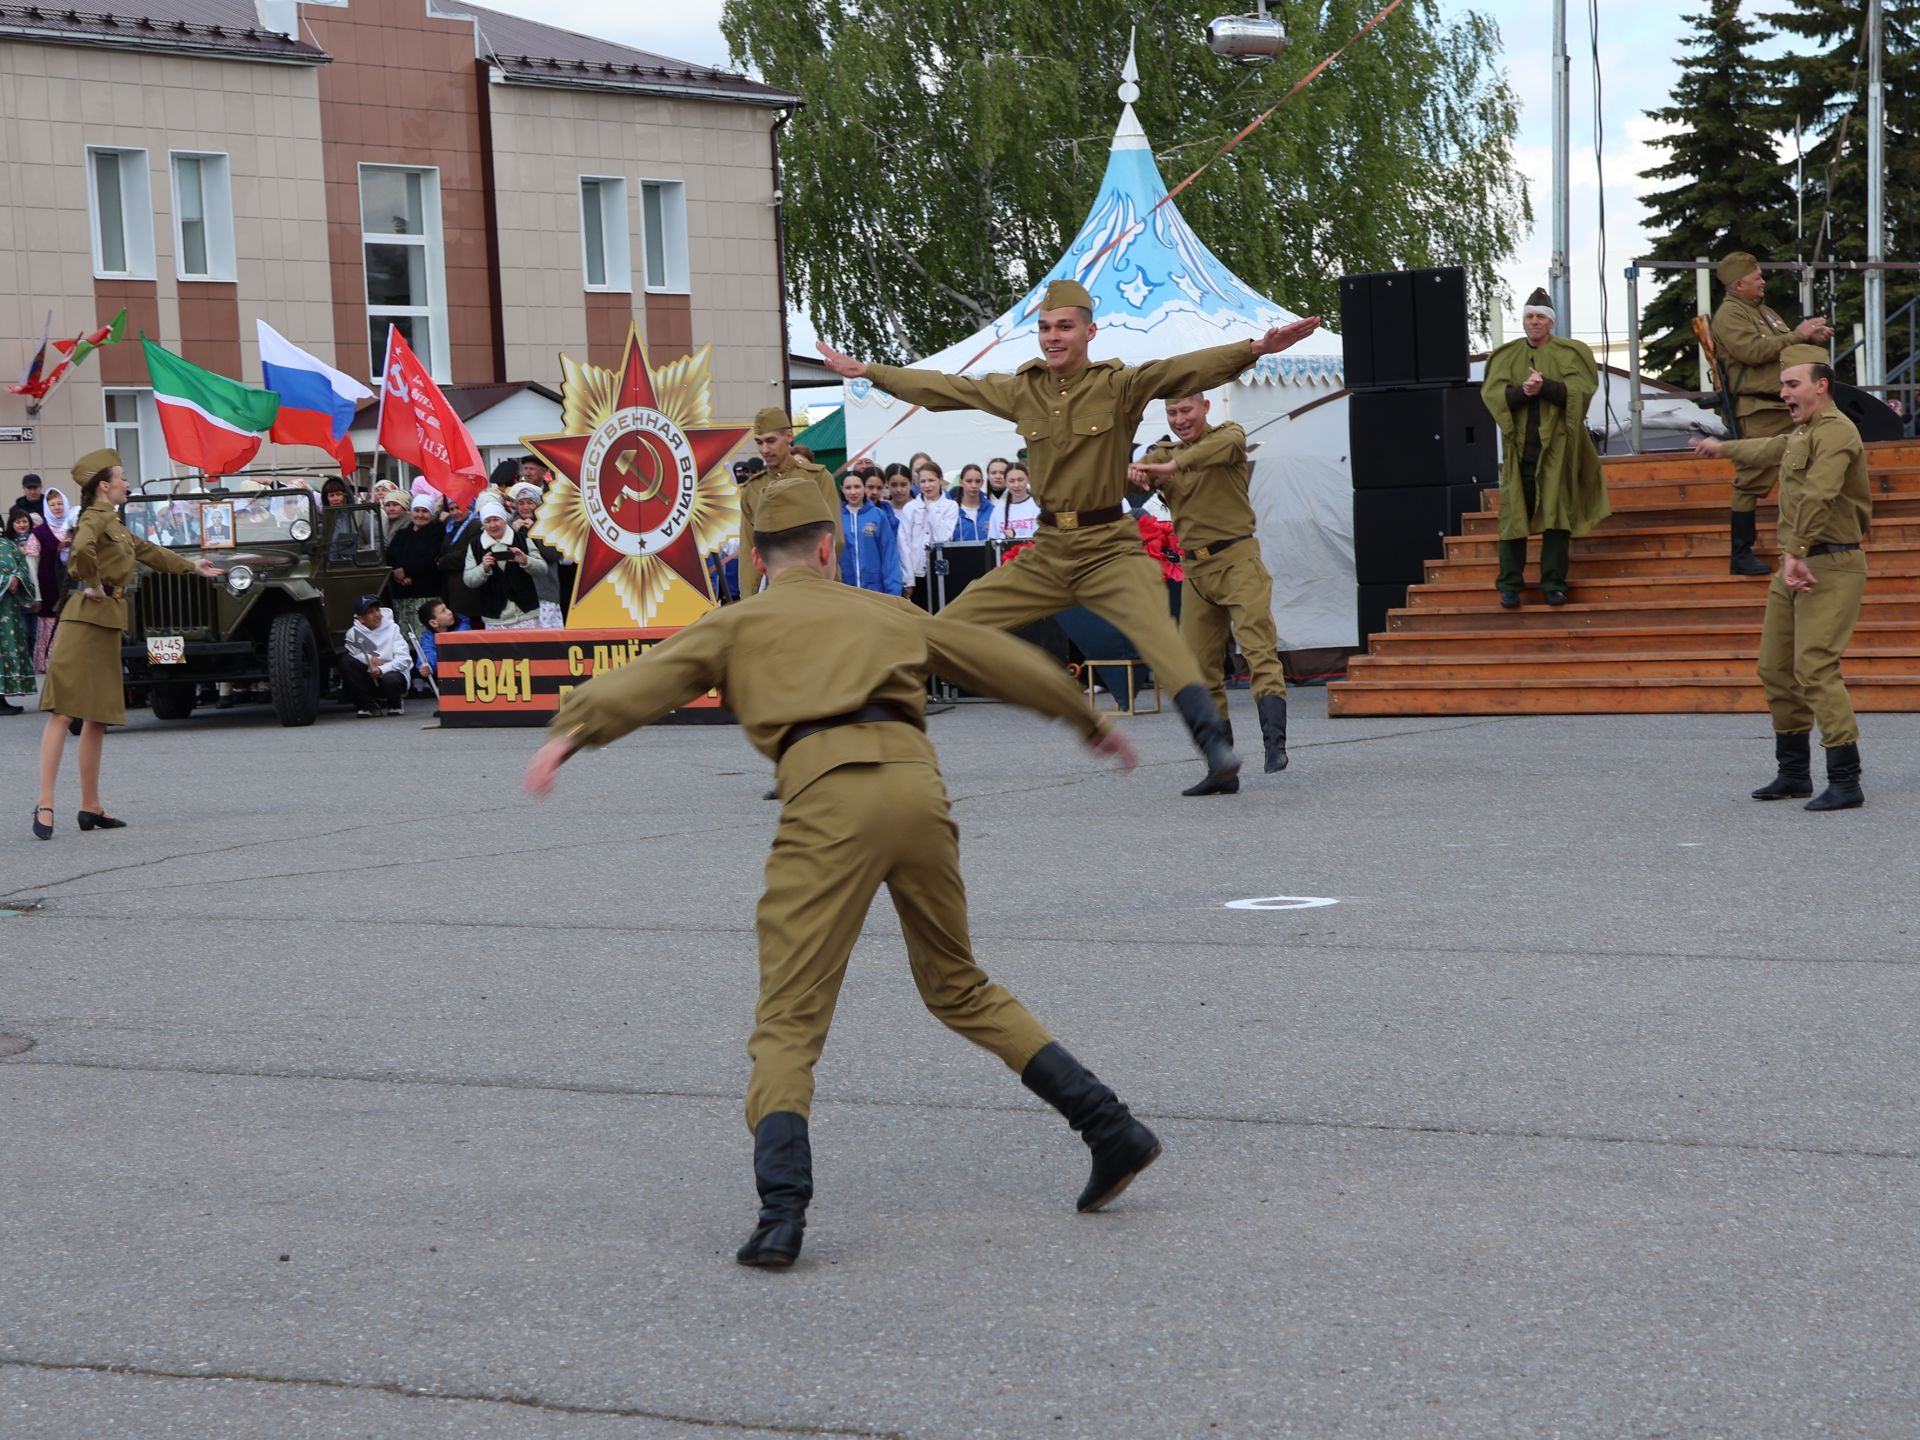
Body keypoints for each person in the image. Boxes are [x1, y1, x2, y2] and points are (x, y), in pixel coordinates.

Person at [523, 477, 1156, 1268]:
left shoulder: (737, 621)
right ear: (829, 548)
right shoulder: (885, 609)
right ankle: (1110, 1125)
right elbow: (994, 655)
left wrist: (568, 734)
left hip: (826, 797)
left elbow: (651, 678)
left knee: (789, 1014)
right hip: (917, 789)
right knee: (958, 985)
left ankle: (781, 1213)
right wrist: (1086, 718)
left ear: (758, 559)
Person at [819, 277, 1322, 789]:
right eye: (1043, 328)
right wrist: (872, 373)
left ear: (1089, 332)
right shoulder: (1024, 389)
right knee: (948, 626)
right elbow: (951, 389)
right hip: (1048, 552)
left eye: (1064, 327)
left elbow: (1182, 368)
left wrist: (1255, 349)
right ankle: (852, 725)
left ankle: (1214, 746)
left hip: (1109, 547)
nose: (1051, 337)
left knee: (1157, 635)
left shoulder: (1118, 386)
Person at [1692, 352, 1869, 811]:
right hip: (1798, 563)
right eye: (1782, 385)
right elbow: (1771, 447)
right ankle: (1794, 774)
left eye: (1791, 384)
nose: (1783, 392)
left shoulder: (1837, 433)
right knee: (1774, 667)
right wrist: (1723, 448)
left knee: (1814, 667)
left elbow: (1821, 492)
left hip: (1828, 563)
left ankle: (1846, 780)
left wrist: (1796, 551)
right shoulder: (1804, 432)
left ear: (1821, 386)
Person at [33, 450, 219, 839]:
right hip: (84, 618)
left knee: (97, 716)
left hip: (107, 620)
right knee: (64, 711)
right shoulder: (92, 517)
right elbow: (80, 552)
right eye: (122, 477)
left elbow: (148, 552)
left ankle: (91, 806)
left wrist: (192, 566)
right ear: (104, 485)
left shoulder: (114, 523)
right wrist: (95, 584)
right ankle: (45, 802)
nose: (127, 482)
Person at [1129, 393, 1291, 788]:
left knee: (1258, 650)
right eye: (1172, 412)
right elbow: (1138, 479)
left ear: (1205, 407)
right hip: (1195, 569)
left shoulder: (1228, 435)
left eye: (1187, 410)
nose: (1180, 419)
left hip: (1237, 559)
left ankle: (1275, 744)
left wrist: (1173, 465)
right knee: (1199, 670)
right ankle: (1221, 768)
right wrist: (1135, 475)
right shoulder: (1161, 450)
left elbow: (1223, 446)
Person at [1480, 288, 1612, 608]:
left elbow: (1581, 390)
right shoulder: (1506, 357)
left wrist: (1546, 387)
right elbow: (1494, 396)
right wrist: (1525, 392)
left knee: (1556, 520)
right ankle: (1509, 584)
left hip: (1557, 454)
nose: (1534, 322)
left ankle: (1553, 583)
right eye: (1529, 316)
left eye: (1540, 317)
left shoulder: (1570, 353)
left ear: (1551, 323)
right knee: (1513, 520)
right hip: (1520, 454)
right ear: (1523, 321)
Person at [1710, 252, 1835, 576]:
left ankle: (1809, 540)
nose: (1763, 281)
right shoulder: (1729, 315)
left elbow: (1784, 350)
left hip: (1783, 405)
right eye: (1757, 277)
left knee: (1808, 464)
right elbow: (1752, 352)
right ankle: (1741, 553)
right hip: (1758, 408)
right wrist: (1798, 334)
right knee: (1752, 478)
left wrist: (1809, 338)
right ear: (1739, 283)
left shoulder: (1762, 312)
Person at [736, 408, 841, 600]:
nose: (764, 450)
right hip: (777, 593)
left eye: (771, 440)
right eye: (759, 442)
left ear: (789, 436)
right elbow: (748, 552)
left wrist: (823, 587)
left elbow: (835, 540)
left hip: (819, 589)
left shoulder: (817, 478)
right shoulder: (752, 489)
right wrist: (748, 600)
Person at [462, 495, 548, 629]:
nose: (493, 525)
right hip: (494, 618)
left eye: (496, 519)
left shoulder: (522, 539)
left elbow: (542, 569)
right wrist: (483, 569)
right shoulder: (475, 546)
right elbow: (468, 580)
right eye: (488, 521)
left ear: (504, 520)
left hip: (526, 614)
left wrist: (525, 560)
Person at [384, 491, 446, 641]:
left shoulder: (437, 532)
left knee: (425, 636)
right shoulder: (402, 533)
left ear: (431, 513)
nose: (420, 515)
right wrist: (398, 574)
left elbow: (432, 558)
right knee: (406, 638)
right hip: (402, 593)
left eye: (425, 511)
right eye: (417, 510)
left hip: (426, 592)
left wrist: (407, 571)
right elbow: (390, 556)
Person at [339, 594, 412, 717]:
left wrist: (381, 669)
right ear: (360, 619)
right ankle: (367, 705)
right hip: (369, 676)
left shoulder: (393, 629)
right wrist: (369, 659)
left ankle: (395, 703)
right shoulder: (352, 634)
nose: (377, 615)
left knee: (391, 679)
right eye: (371, 612)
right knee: (345, 661)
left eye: (377, 610)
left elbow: (405, 660)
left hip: (392, 675)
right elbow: (353, 654)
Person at [26, 485, 72, 675]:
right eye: (52, 504)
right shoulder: (39, 533)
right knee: (50, 626)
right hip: (49, 590)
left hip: (73, 589)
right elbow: (31, 564)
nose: (57, 507)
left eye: (60, 503)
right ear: (47, 508)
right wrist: (36, 595)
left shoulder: (76, 528)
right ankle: (50, 662)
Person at [506, 481, 564, 627]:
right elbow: (503, 556)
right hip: (518, 595)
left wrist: (535, 532)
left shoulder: (548, 524)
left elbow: (554, 555)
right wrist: (512, 533)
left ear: (538, 504)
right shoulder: (509, 525)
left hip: (544, 593)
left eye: (530, 503)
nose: (525, 507)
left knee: (547, 639)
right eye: (521, 503)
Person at [837, 474, 903, 595]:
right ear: (842, 489)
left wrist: (894, 591)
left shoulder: (878, 515)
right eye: (848, 487)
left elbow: (889, 554)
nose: (853, 492)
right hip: (844, 589)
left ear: (864, 488)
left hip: (874, 589)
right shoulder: (836, 517)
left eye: (857, 487)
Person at [0, 507, 37, 714]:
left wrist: (17, 578)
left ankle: (2, 698)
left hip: (9, 611)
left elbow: (23, 566)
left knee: (7, 651)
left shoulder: (8, 545)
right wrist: (6, 580)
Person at [413, 597, 470, 729]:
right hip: (450, 672)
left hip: (466, 669)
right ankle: (448, 704)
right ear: (434, 623)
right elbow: (427, 653)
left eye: (447, 608)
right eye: (443, 611)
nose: (450, 612)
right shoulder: (428, 637)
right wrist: (426, 665)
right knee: (428, 670)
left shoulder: (463, 626)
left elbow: (456, 649)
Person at [884, 466, 928, 598]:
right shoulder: (883, 510)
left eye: (903, 485)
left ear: (911, 483)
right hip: (890, 572)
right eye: (894, 485)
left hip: (916, 575)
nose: (898, 490)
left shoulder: (920, 509)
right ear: (887, 484)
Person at [987, 462, 1041, 548]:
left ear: (1028, 479)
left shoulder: (1038, 506)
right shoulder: (998, 510)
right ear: (1005, 482)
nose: (1016, 485)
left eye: (1020, 480)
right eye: (1012, 481)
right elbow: (993, 543)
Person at [950, 465, 995, 542]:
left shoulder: (992, 510)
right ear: (961, 482)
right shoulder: (951, 510)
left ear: (982, 483)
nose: (974, 485)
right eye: (969, 481)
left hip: (987, 553)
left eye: (977, 481)